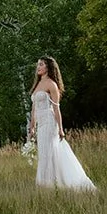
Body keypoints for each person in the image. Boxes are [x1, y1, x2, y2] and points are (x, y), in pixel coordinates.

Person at [28, 56, 95, 192]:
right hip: (40, 124)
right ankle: (44, 183)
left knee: (49, 153)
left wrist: (60, 129)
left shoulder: (52, 84)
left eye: (41, 65)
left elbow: (56, 108)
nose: (38, 67)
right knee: (43, 153)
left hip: (49, 122)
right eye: (38, 65)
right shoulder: (37, 85)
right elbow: (34, 108)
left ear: (48, 67)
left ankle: (53, 183)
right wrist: (32, 126)